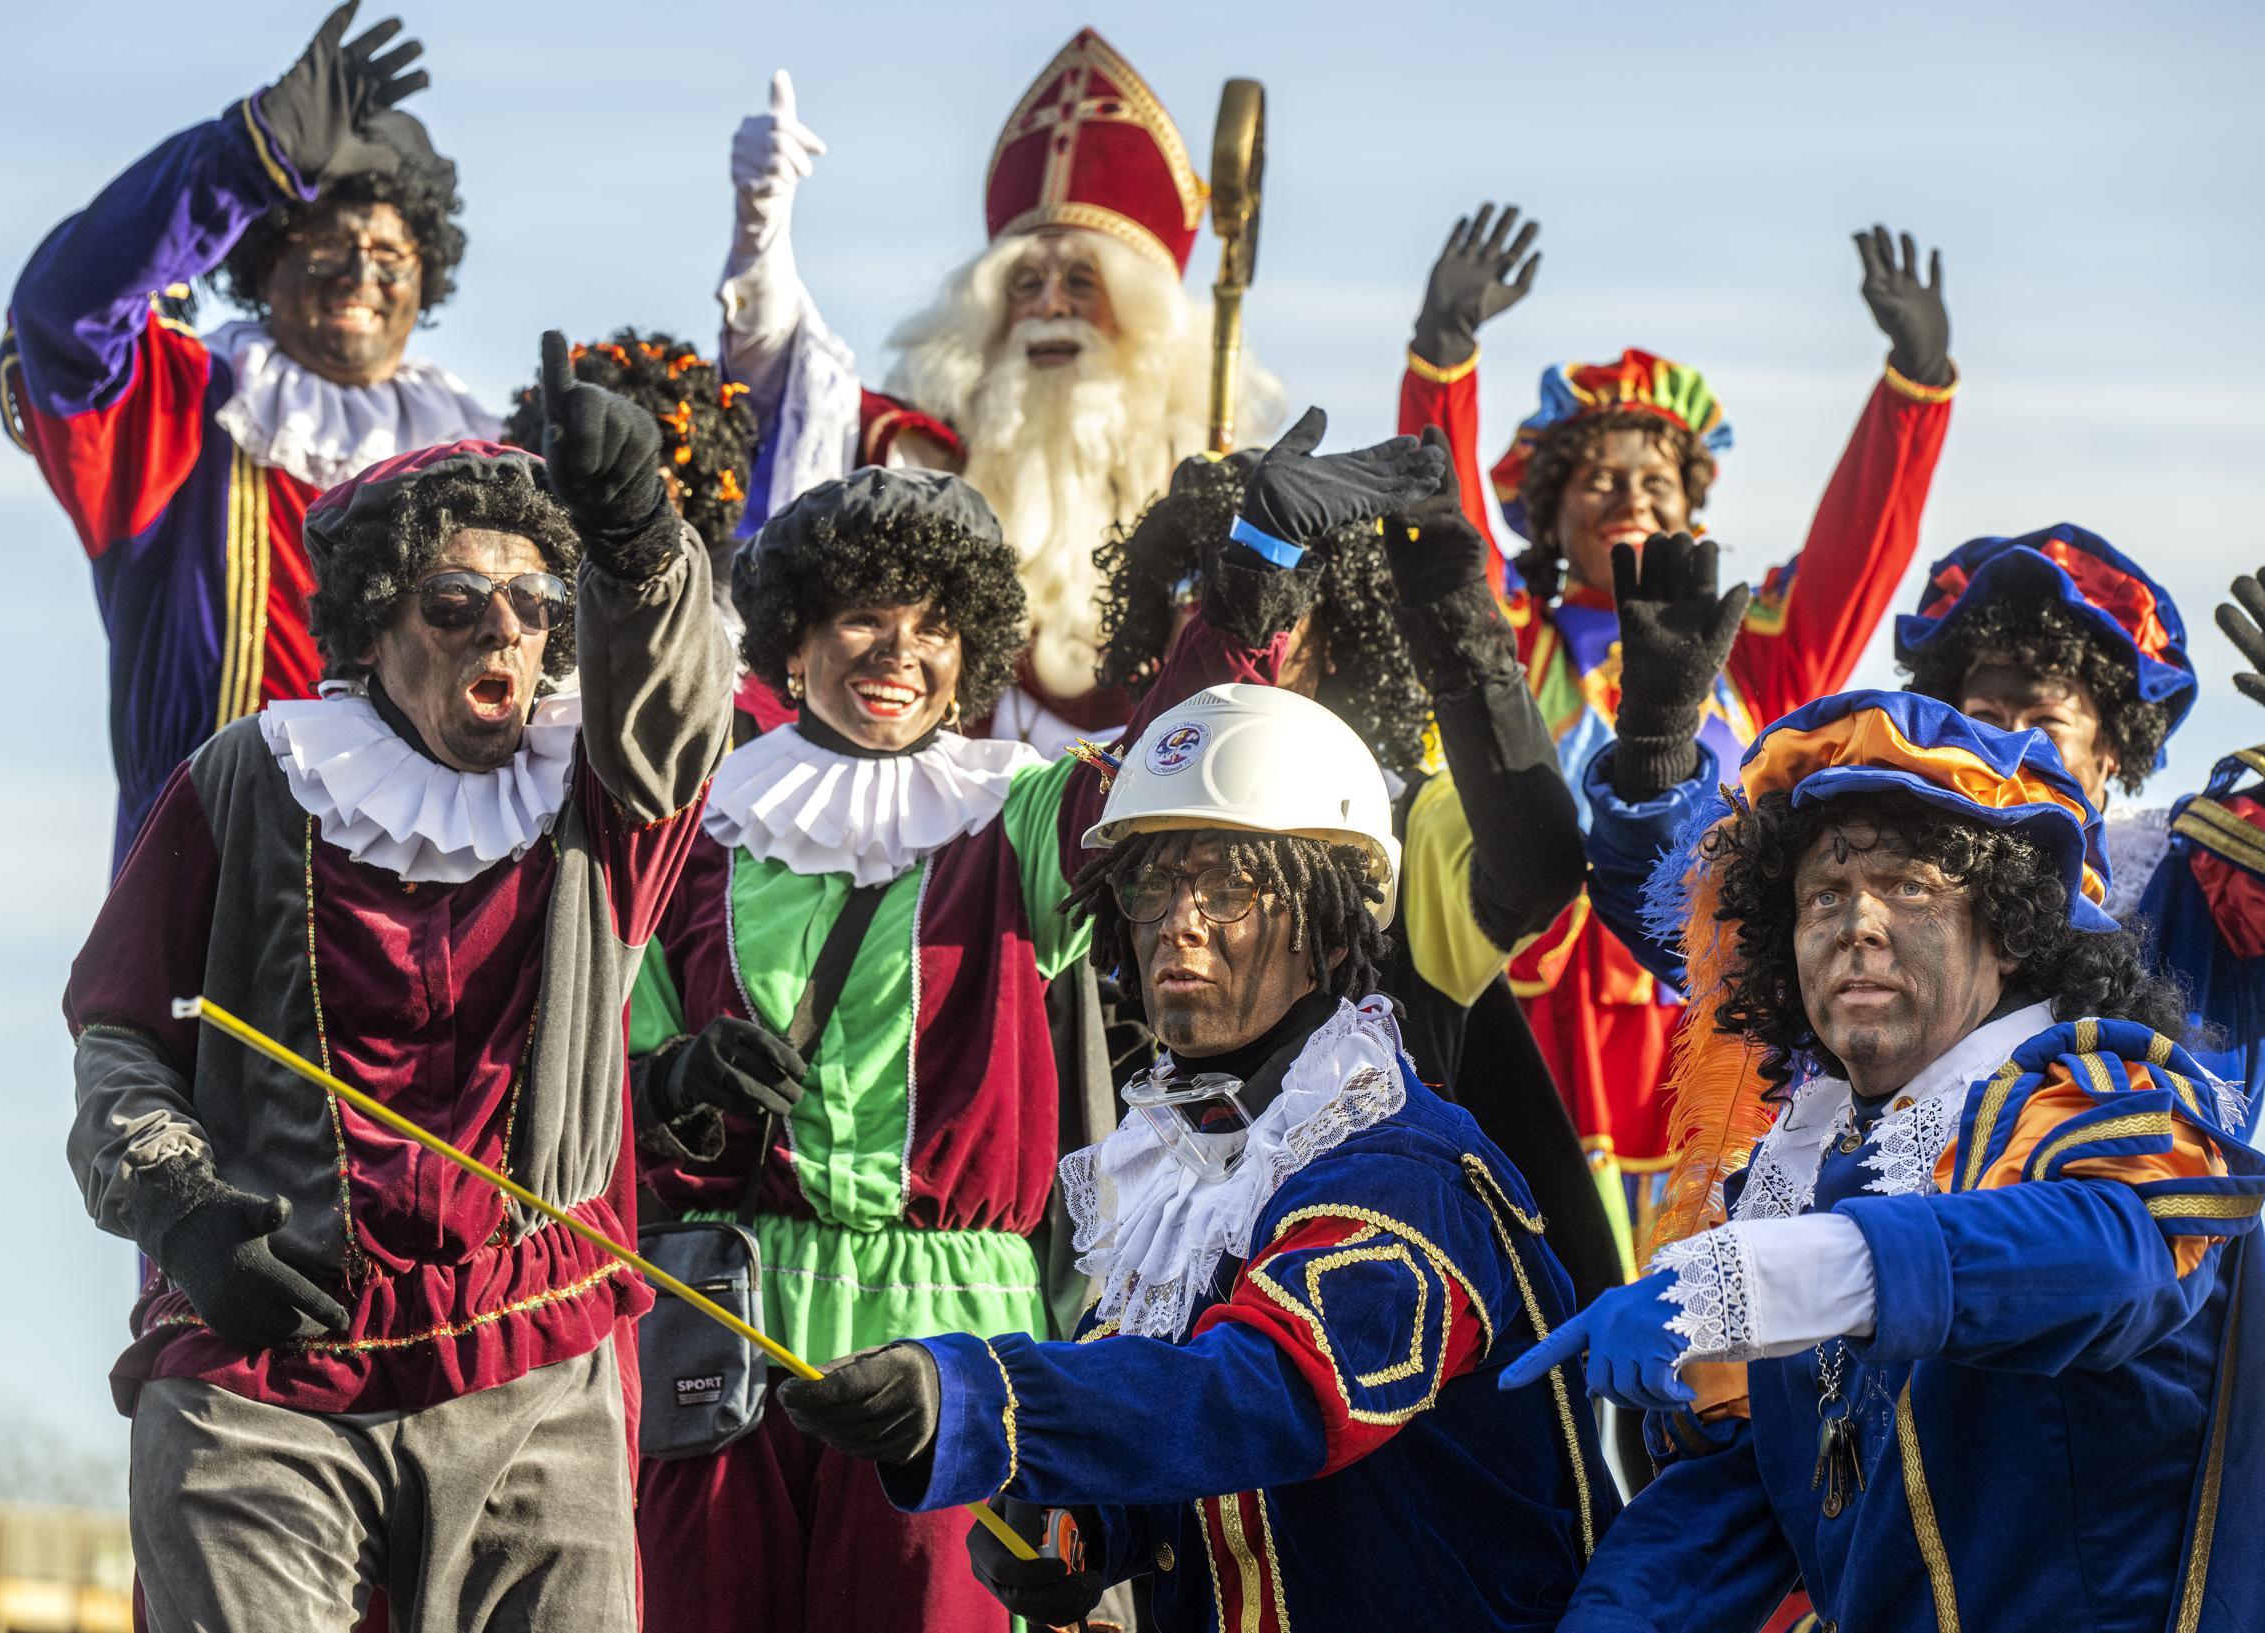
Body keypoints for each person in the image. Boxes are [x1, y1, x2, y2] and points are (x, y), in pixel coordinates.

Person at [625, 416, 1442, 1633]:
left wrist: (1251, 570)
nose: (898, 653)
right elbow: (616, 1079)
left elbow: (1180, 757)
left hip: (952, 1324)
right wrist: (677, 1085)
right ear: (794, 634)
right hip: (724, 1317)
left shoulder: (1014, 812)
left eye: (932, 626)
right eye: (860, 615)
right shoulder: (691, 826)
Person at [60, 335, 731, 1629]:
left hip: (533, 1362)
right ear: (376, 620)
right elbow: (120, 1032)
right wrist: (182, 1209)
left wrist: (639, 536)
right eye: (456, 600)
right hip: (269, 1371)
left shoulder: (595, 797)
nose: (507, 629)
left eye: (538, 602)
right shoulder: (253, 777)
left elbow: (675, 704)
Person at [776, 682, 1617, 1633]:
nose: (1177, 920)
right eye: (1150, 886)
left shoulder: (1400, 1170)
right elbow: (1167, 1435)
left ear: (1333, 925)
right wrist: (1074, 1527)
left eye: (1228, 887)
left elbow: (1267, 1399)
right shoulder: (1181, 1174)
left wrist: (981, 1395)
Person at [1509, 688, 2265, 1632]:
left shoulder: (2094, 1090)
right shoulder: (1804, 1170)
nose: (1856, 923)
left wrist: (1763, 1276)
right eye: (1823, 895)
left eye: (1908, 886)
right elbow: (1738, 1503)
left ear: (2007, 930)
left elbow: (2120, 1254)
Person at [1397, 207, 1958, 1252]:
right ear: (1550, 513)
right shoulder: (1516, 635)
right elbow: (1441, 533)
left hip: (1700, 1011)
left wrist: (1912, 387)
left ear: (1692, 511)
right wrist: (1443, 360)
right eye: (1597, 478)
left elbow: (1859, 555)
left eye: (1654, 481)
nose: (1627, 496)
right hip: (1529, 1003)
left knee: (1701, 1322)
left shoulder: (1754, 654)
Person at [1585, 529, 2265, 1131]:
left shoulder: (2207, 883)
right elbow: (1689, 921)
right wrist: (1656, 740)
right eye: (1985, 719)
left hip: (2154, 1318)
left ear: (2113, 747)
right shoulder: (1870, 877)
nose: (2016, 745)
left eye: (2048, 721)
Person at [1093, 437, 1625, 1305]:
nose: (1222, 620)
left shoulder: (1399, 821)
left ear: (1336, 632)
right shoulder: (1124, 830)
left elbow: (1533, 864)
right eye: (1198, 599)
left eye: (1277, 604)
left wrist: (1451, 605)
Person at [1, 3, 504, 868]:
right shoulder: (181, 408)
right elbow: (64, 308)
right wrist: (248, 157)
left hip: (433, 921)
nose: (359, 274)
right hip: (213, 914)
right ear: (266, 259)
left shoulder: (488, 456)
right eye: (327, 242)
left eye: (391, 256)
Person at [714, 31, 1281, 751]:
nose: (1048, 305)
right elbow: (788, 389)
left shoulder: (1204, 474)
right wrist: (759, 240)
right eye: (1024, 283)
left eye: (1080, 282)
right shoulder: (921, 453)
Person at [503, 329, 760, 586]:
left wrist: (637, 546)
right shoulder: (529, 594)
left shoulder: (735, 579)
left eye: (655, 486)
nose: (620, 501)